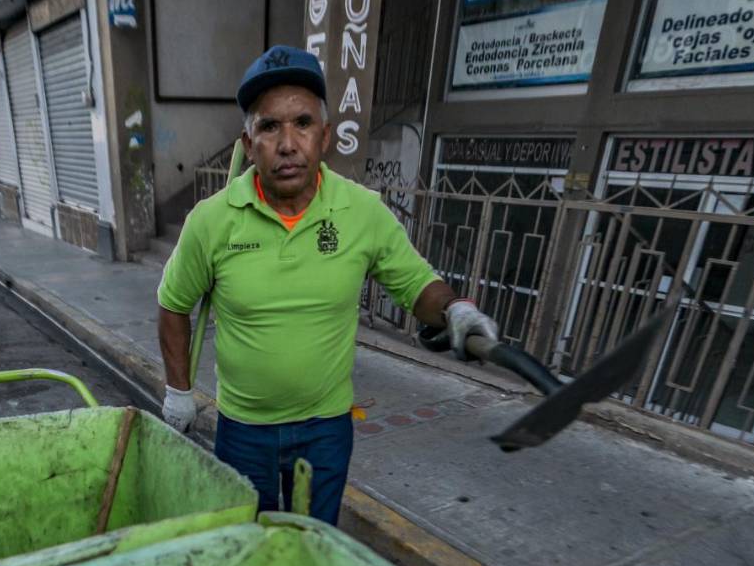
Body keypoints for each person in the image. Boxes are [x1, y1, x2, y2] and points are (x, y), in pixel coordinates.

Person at [156, 46, 499, 525]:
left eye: (302, 122)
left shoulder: (363, 212)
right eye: (269, 126)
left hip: (324, 430)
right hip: (243, 428)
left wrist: (454, 310)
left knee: (314, 547)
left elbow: (416, 284)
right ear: (249, 142)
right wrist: (179, 391)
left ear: (326, 136)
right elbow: (173, 304)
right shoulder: (211, 221)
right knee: (246, 549)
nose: (288, 142)